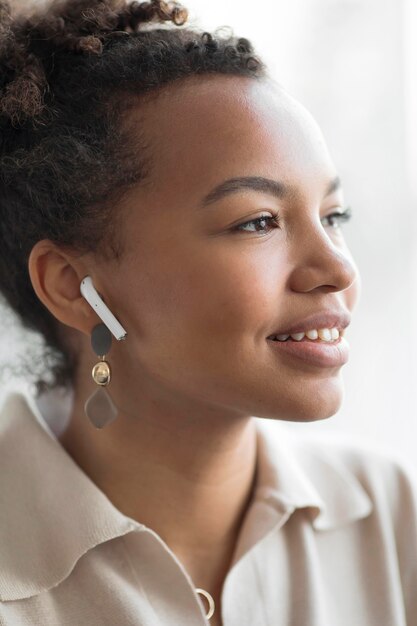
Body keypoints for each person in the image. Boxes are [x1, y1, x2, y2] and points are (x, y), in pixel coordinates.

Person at [0, 0, 416, 624]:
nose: (338, 269)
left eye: (334, 216)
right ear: (72, 286)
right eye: (259, 221)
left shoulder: (392, 517)